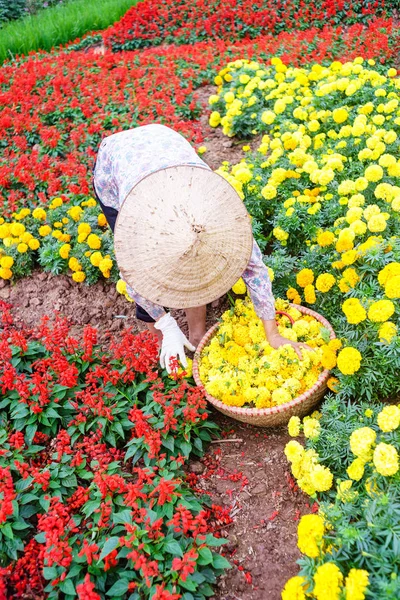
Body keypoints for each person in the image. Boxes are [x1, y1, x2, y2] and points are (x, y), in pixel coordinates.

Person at [93, 124, 310, 372]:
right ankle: (168, 353)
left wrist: (273, 334)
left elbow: (256, 271)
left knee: (194, 266)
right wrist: (167, 325)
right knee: (149, 283)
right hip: (119, 162)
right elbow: (133, 278)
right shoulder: (139, 232)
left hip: (163, 143)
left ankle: (197, 338)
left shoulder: (224, 220)